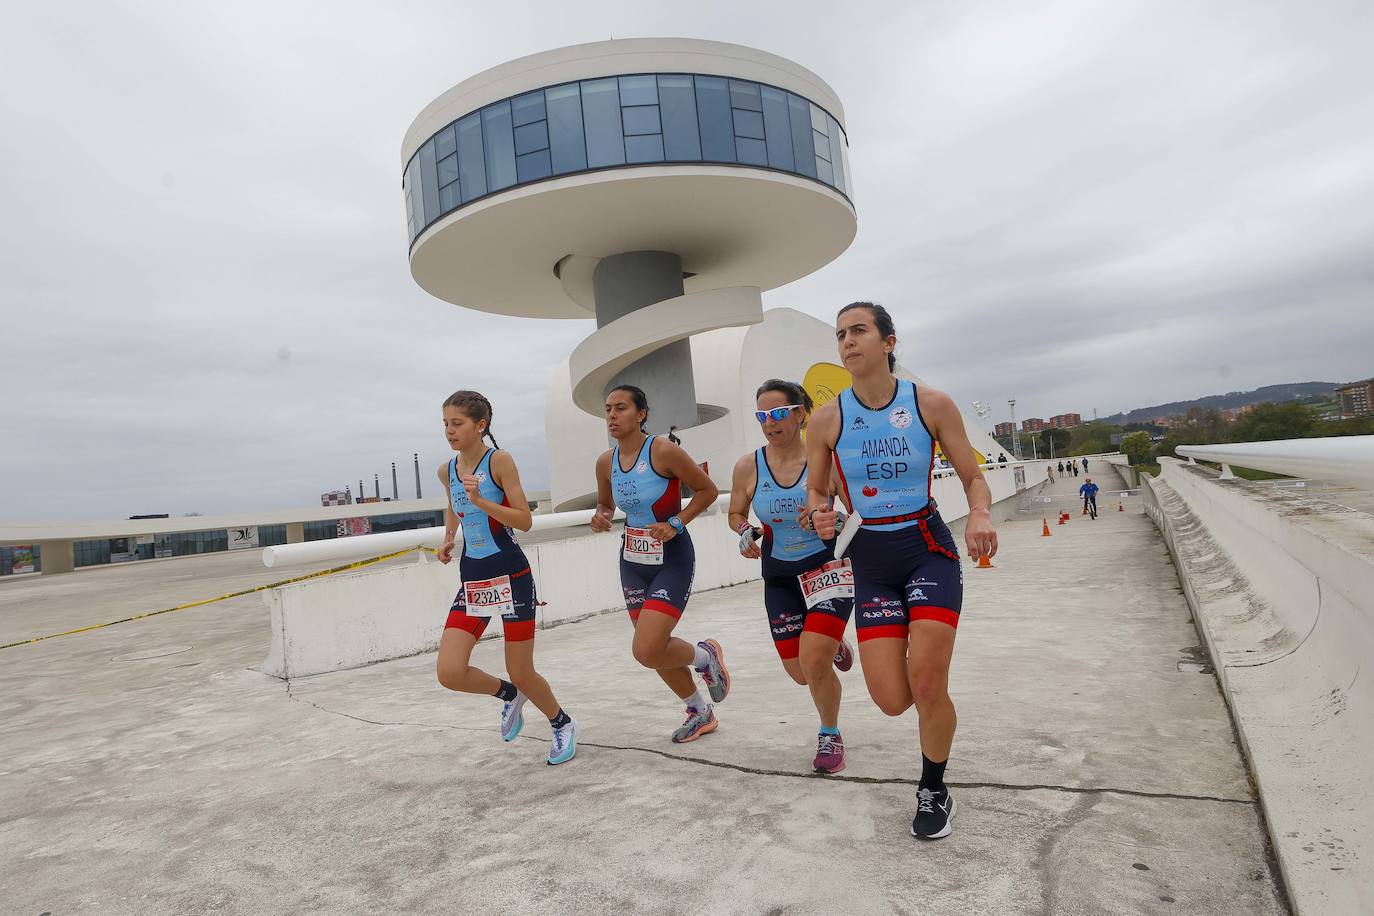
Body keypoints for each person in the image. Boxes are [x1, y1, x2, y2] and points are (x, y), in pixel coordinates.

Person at [806, 301, 997, 841]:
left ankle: (933, 786)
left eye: (859, 331)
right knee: (893, 699)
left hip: (925, 547)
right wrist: (820, 510)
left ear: (889, 342)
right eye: (840, 334)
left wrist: (979, 512)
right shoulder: (827, 418)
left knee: (929, 680)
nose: (847, 342)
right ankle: (923, 698)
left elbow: (972, 476)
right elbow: (817, 490)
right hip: (869, 556)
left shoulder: (930, 404)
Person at [434, 390, 577, 765]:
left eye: (457, 423)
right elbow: (453, 507)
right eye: (445, 423)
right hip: (474, 580)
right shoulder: (446, 470)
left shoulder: (499, 461)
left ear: (480, 425)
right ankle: (509, 695)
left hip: (511, 576)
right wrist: (449, 539)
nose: (449, 430)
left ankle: (561, 723)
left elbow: (524, 521)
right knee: (449, 671)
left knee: (522, 668)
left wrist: (482, 501)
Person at [729, 379, 857, 774]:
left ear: (800, 413)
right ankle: (833, 645)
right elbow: (736, 514)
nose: (771, 423)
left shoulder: (829, 460)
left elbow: (858, 515)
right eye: (763, 416)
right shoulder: (749, 465)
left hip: (827, 569)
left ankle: (829, 732)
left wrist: (835, 518)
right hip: (780, 576)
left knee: (814, 662)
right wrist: (744, 533)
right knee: (800, 672)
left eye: (779, 413)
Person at [591, 385, 730, 743]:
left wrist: (676, 523)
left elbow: (708, 491)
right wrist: (601, 516)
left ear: (641, 414)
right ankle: (700, 712)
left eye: (620, 408)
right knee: (653, 649)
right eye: (608, 409)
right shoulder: (606, 462)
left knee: (647, 647)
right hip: (633, 560)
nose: (612, 415)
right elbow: (606, 504)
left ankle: (705, 657)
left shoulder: (663, 451)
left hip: (672, 557)